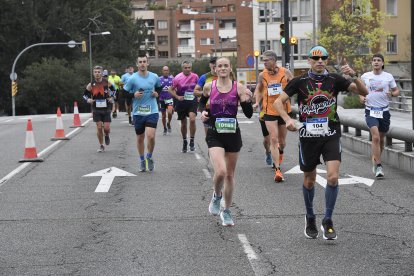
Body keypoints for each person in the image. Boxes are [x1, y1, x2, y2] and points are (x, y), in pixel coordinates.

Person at [274, 45, 368, 240]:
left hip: (331, 133)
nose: (319, 61)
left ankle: (328, 219)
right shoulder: (299, 81)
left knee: (333, 178)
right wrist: (288, 119)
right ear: (309, 60)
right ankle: (310, 217)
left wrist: (355, 75)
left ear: (326, 60)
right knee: (309, 180)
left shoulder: (335, 79)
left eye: (323, 58)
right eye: (315, 58)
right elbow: (277, 102)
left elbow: (364, 92)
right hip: (308, 136)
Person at [201, 57, 253, 226]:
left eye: (225, 66)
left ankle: (227, 210)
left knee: (230, 175)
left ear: (231, 68)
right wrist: (202, 112)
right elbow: (202, 104)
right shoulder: (209, 86)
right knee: (221, 171)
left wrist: (246, 100)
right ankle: (217, 196)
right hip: (215, 133)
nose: (222, 68)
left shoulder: (238, 87)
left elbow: (248, 114)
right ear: (215, 69)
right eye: (219, 66)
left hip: (232, 133)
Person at [253, 50, 294, 182]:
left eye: (266, 60)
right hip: (269, 111)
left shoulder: (285, 72)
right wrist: (256, 102)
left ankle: (280, 153)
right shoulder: (262, 75)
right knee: (274, 139)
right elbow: (259, 90)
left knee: (282, 143)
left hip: (283, 111)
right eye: (263, 60)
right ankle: (277, 170)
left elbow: (295, 86)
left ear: (274, 60)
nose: (264, 62)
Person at [360, 53, 399, 178]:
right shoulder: (365, 76)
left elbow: (396, 91)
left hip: (384, 111)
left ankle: (375, 158)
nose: (376, 62)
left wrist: (392, 94)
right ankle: (378, 165)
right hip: (370, 110)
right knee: (375, 137)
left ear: (382, 63)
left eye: (378, 60)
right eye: (374, 60)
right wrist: (361, 98)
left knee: (381, 140)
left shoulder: (388, 76)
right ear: (372, 63)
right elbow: (360, 91)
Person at [123, 54, 162, 172]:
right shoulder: (132, 79)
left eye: (144, 62)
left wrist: (157, 94)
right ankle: (141, 160)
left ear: (148, 63)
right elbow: (123, 93)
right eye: (140, 62)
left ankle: (149, 157)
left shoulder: (154, 76)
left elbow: (159, 88)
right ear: (137, 64)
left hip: (152, 110)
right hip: (138, 112)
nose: (142, 64)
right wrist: (133, 95)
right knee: (140, 137)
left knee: (150, 136)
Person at [168, 61, 199, 153]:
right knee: (184, 123)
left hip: (192, 101)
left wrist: (199, 96)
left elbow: (199, 87)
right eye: (185, 67)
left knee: (192, 119)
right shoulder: (177, 77)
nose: (187, 69)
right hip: (182, 102)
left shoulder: (195, 76)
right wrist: (177, 97)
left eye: (189, 67)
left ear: (191, 68)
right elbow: (170, 89)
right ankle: (185, 141)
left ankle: (192, 140)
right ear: (182, 68)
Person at [83, 65, 115, 152]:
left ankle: (107, 135)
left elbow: (114, 90)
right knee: (99, 127)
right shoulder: (91, 84)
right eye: (95, 72)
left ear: (101, 73)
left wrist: (112, 97)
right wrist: (88, 99)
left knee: (107, 128)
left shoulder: (106, 82)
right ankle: (101, 145)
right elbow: (84, 95)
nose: (97, 74)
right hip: (96, 108)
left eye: (99, 72)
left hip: (107, 107)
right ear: (93, 73)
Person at [194, 57, 218, 136]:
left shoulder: (227, 76)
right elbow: (195, 92)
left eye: (216, 63)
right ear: (209, 65)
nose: (214, 64)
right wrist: (207, 93)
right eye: (212, 63)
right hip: (208, 108)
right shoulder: (204, 77)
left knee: (223, 137)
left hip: (223, 109)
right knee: (209, 136)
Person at [159, 66, 174, 135]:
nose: (166, 72)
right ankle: (164, 127)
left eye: (167, 70)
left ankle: (169, 123)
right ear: (162, 71)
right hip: (162, 99)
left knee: (170, 112)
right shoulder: (159, 79)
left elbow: (175, 87)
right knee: (163, 115)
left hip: (169, 99)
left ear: (169, 71)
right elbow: (156, 88)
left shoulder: (172, 78)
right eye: (164, 70)